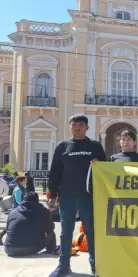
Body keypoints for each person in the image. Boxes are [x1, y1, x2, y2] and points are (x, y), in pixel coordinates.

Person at [48, 114, 106, 277]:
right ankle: (63, 265)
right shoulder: (62, 146)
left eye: (81, 125)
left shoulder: (95, 146)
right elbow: (55, 172)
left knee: (91, 232)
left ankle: (95, 266)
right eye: (74, 125)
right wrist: (52, 195)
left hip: (88, 197)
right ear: (70, 127)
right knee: (66, 232)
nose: (77, 127)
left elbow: (105, 170)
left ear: (87, 128)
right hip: (67, 197)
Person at [0, 192, 57, 257]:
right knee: (51, 233)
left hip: (9, 249)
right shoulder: (44, 211)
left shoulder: (13, 211)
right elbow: (50, 228)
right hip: (31, 248)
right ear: (37, 201)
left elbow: (8, 229)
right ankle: (51, 250)